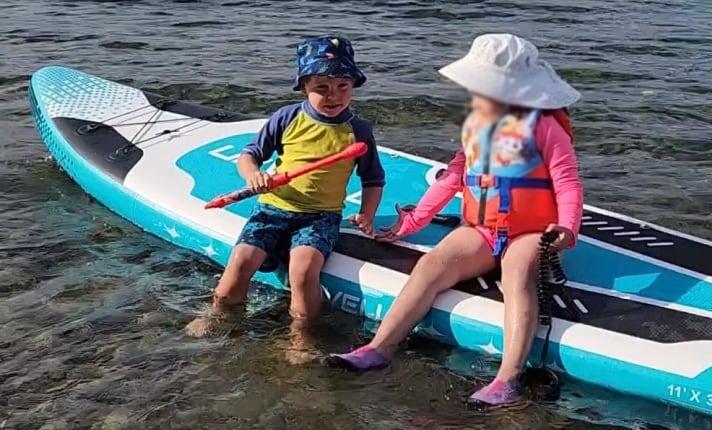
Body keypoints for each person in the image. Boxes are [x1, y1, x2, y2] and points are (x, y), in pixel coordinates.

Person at [324, 33, 584, 406]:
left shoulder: (545, 128)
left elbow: (568, 183)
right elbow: (452, 179)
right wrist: (411, 224)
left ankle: (507, 378)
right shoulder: (477, 126)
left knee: (517, 274)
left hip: (532, 231)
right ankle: (379, 348)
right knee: (433, 264)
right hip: (482, 228)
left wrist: (567, 228)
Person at [185, 36, 386, 356]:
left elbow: (373, 179)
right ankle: (220, 314)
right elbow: (248, 156)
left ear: (353, 86)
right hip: (274, 206)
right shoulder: (287, 118)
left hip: (321, 216)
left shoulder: (358, 131)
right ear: (304, 86)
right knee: (241, 261)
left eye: (342, 86)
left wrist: (367, 214)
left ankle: (302, 337)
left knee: (303, 270)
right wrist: (255, 176)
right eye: (322, 87)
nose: (333, 96)